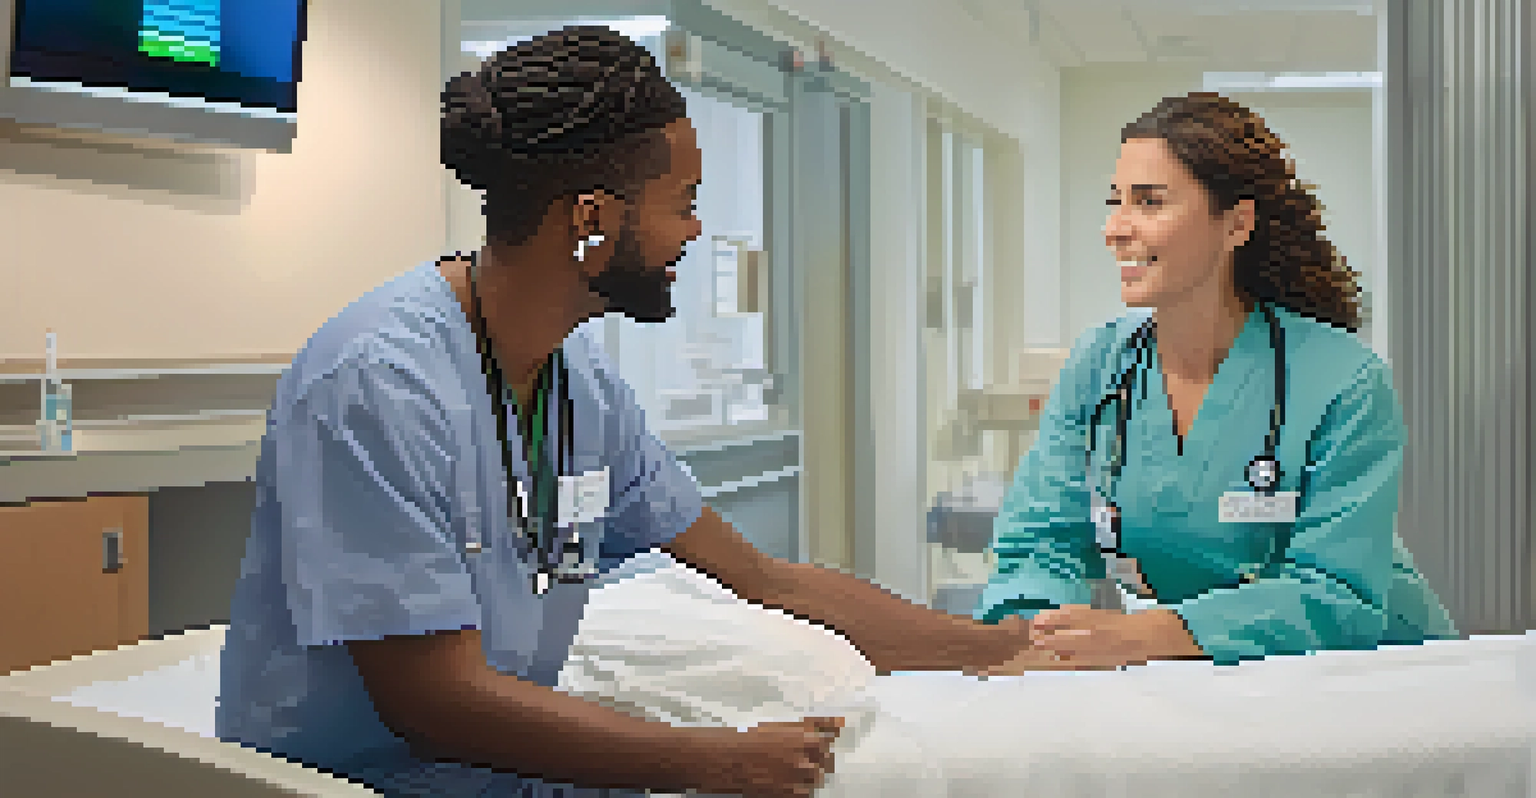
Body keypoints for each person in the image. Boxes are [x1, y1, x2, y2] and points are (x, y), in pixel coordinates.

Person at [216, 26, 1032, 798]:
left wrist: (1000, 648)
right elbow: (432, 701)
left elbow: (762, 580)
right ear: (592, 218)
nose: (696, 228)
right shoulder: (379, 383)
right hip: (349, 784)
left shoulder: (583, 390)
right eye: (683, 201)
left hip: (499, 773)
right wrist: (716, 763)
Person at [975, 92, 1458, 675]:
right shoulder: (1100, 365)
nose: (1115, 229)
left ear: (1235, 224)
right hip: (1212, 672)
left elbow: (1336, 594)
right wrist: (1033, 631)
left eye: (1149, 203)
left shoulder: (1342, 380)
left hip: (1375, 675)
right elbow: (1041, 540)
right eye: (1115, 202)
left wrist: (1144, 634)